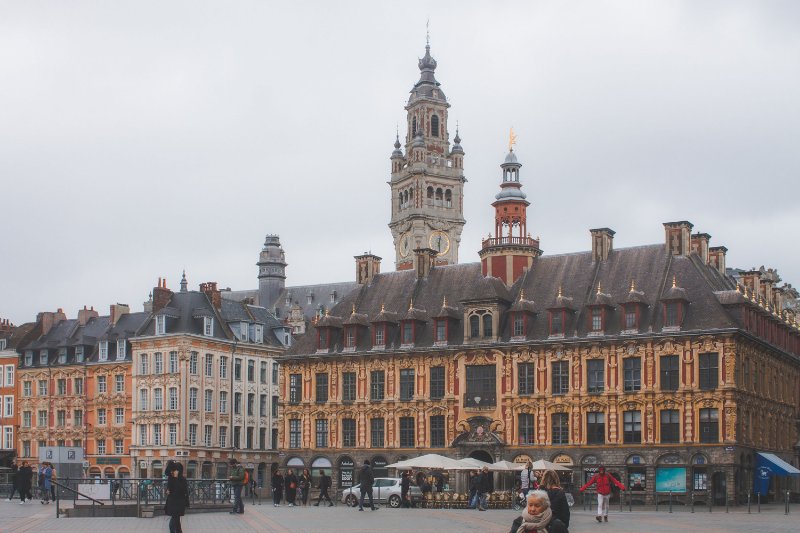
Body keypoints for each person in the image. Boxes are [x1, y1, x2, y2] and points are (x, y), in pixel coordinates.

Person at [165, 462, 189, 533]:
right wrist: (167, 491)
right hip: (172, 502)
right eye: (174, 470)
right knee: (176, 521)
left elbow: (182, 490)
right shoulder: (171, 478)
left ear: (179, 471)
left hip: (179, 503)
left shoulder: (182, 479)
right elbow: (169, 487)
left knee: (173, 522)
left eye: (176, 470)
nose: (174, 471)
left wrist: (176, 479)